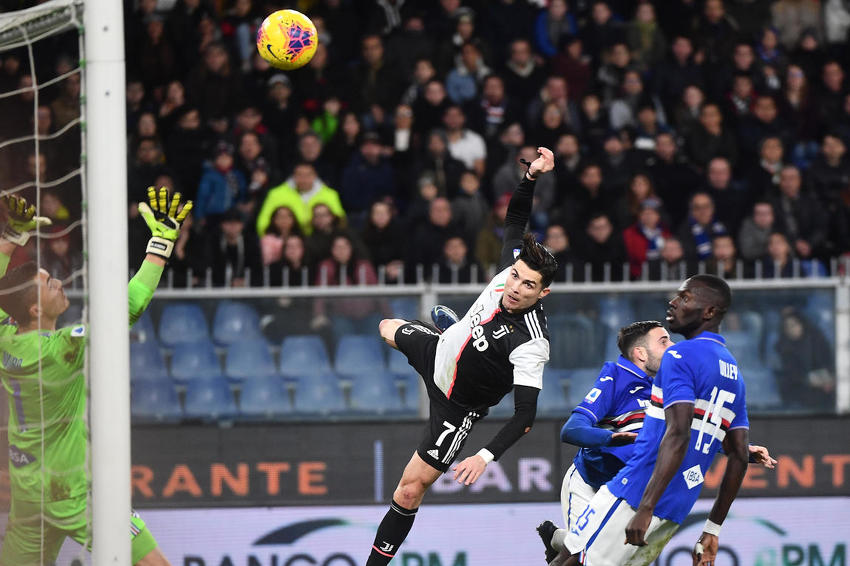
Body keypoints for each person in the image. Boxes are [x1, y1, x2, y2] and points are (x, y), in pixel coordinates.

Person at [364, 147, 557, 566]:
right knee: (385, 328)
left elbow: (525, 416)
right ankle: (454, 330)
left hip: (457, 405)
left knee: (409, 490)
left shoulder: (532, 343)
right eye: (517, 276)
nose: (516, 286)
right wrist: (532, 177)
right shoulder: (510, 271)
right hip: (440, 352)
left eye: (529, 286)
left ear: (543, 293)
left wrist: (485, 456)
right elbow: (515, 220)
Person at [0, 190, 191, 566]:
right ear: (36, 308)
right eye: (47, 282)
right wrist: (160, 246)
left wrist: (11, 239)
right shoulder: (61, 350)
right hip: (75, 494)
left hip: (28, 499)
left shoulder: (6, 335)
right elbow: (129, 307)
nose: (58, 282)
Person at [537, 321, 775, 564]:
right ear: (640, 353)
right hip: (590, 484)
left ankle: (558, 538)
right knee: (577, 557)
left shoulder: (671, 383)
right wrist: (610, 438)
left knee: (588, 554)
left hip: (632, 492)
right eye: (663, 342)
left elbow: (682, 437)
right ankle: (562, 540)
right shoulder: (616, 378)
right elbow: (571, 430)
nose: (672, 347)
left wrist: (739, 450)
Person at [560, 275, 752, 566]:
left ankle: (559, 539)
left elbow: (678, 434)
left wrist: (645, 506)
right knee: (570, 556)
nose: (673, 302)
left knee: (572, 561)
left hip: (636, 491)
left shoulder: (679, 355)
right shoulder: (733, 372)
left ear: (710, 312)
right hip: (677, 506)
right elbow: (738, 453)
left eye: (685, 297)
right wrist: (712, 529)